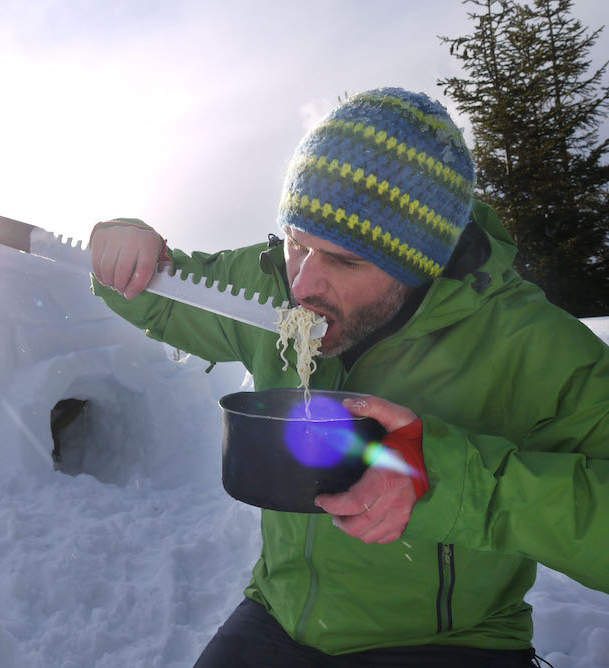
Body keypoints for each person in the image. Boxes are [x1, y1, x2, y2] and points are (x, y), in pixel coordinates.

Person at [88, 87, 609, 667]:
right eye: (296, 243)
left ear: (421, 263)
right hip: (280, 615)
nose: (305, 284)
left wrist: (447, 483)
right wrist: (124, 246)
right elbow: (163, 296)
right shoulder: (267, 287)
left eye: (347, 260)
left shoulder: (526, 344)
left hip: (449, 642)